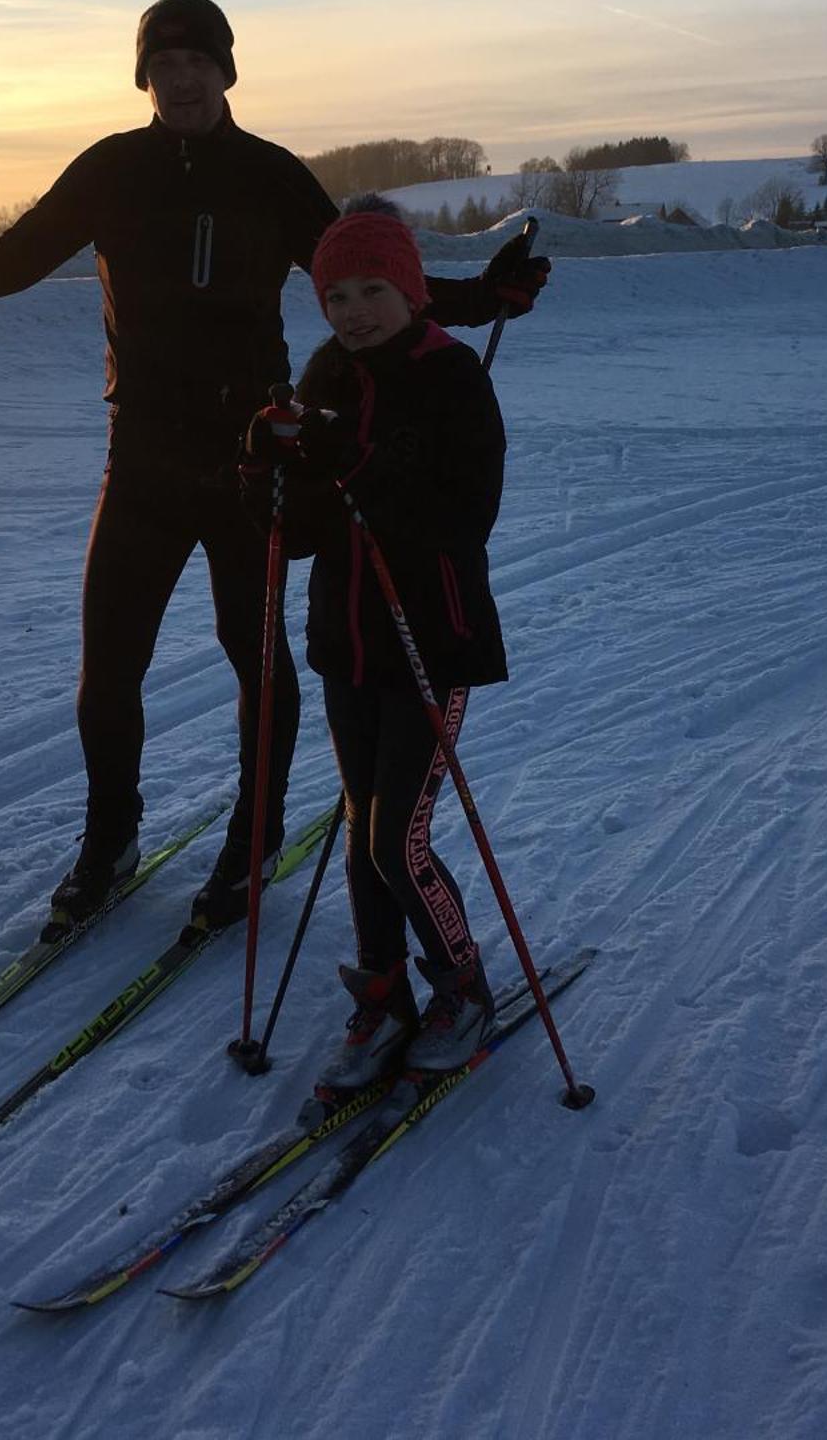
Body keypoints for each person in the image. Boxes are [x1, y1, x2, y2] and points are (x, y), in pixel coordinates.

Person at [0, 0, 546, 935]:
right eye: (163, 65)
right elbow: (4, 265)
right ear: (144, 78)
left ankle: (256, 839)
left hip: (256, 456)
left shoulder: (270, 176)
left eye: (198, 61)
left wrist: (486, 296)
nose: (181, 79)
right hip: (145, 456)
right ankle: (111, 836)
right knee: (107, 666)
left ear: (227, 71)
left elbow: (375, 285)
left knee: (258, 660)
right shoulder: (111, 170)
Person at [241, 199, 508, 1077]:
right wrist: (268, 467)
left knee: (399, 838)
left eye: (372, 289)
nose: (354, 310)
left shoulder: (451, 374)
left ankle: (462, 985)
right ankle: (384, 991)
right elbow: (308, 529)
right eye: (335, 296)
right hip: (348, 641)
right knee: (362, 832)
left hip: (432, 641)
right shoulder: (329, 373)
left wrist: (354, 465)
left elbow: (466, 518)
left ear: (409, 288)